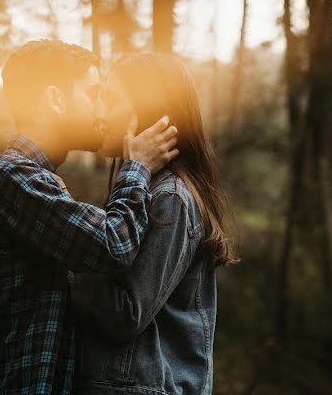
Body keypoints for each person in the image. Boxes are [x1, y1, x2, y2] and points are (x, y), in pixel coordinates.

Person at [0, 40, 179, 394]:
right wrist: (136, 166)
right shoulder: (11, 178)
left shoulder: (36, 182)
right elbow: (113, 245)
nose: (102, 110)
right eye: (93, 94)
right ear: (55, 100)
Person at [70, 52, 239, 395]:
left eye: (112, 100)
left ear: (145, 115)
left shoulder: (171, 198)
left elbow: (126, 313)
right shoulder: (144, 190)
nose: (100, 113)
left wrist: (70, 263)